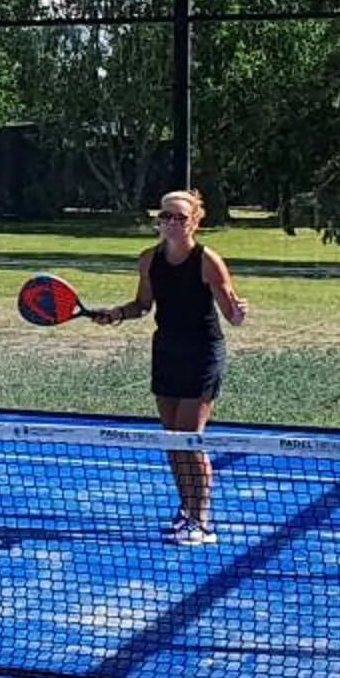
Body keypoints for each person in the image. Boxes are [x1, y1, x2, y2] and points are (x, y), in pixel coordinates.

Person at [90, 189, 249, 546]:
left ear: (195, 221)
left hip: (203, 354)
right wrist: (115, 314)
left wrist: (239, 314)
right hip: (166, 353)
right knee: (171, 441)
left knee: (189, 438)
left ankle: (202, 521)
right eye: (166, 217)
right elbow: (143, 305)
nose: (172, 223)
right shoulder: (148, 260)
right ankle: (186, 509)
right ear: (158, 222)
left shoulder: (208, 261)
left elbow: (231, 317)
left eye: (180, 217)